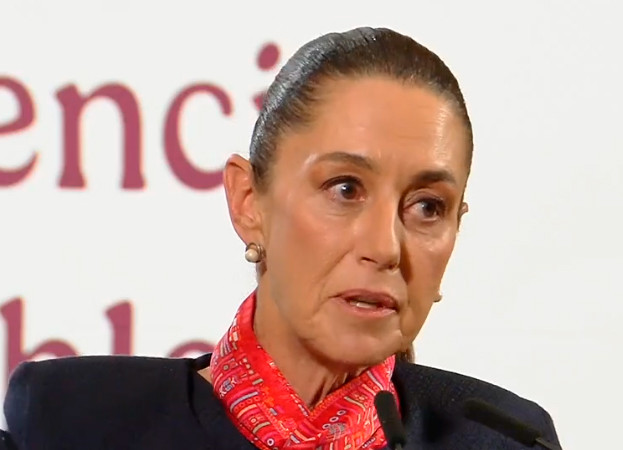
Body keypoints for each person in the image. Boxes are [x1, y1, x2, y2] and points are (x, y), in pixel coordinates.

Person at [2, 27, 560, 449]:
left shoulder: (507, 438)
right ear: (249, 202)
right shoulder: (73, 421)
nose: (386, 247)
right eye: (345, 189)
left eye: (427, 207)